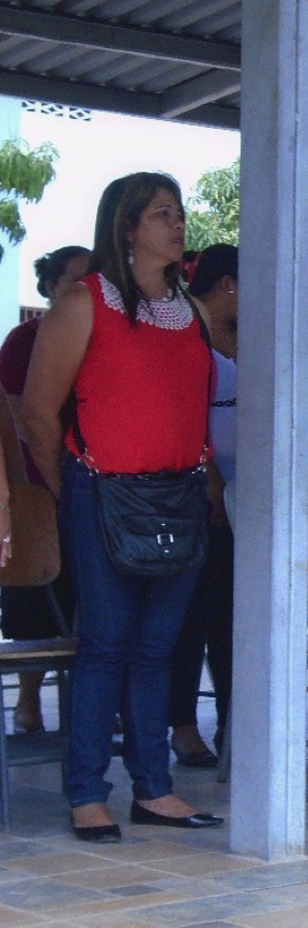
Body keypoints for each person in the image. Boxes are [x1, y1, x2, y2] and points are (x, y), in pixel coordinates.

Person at [21, 171, 221, 842]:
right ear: (128, 226)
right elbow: (38, 412)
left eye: (178, 212)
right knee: (105, 644)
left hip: (179, 496)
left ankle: (154, 787)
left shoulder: (191, 312)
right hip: (101, 492)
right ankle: (86, 792)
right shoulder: (85, 302)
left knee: (157, 647)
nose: (178, 222)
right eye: (163, 213)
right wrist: (70, 488)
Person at [1, 244, 88, 734]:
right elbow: (20, 417)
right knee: (34, 601)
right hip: (38, 487)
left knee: (88, 601)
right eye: (77, 279)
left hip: (92, 483)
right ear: (53, 287)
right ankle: (29, 701)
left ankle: (94, 709)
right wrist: (52, 485)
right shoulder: (24, 339)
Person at [167, 244, 239, 768]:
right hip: (200, 491)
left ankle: (239, 721)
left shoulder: (252, 335)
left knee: (234, 616)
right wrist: (211, 478)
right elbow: (188, 411)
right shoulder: (187, 329)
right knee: (196, 611)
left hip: (249, 495)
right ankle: (184, 724)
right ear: (229, 284)